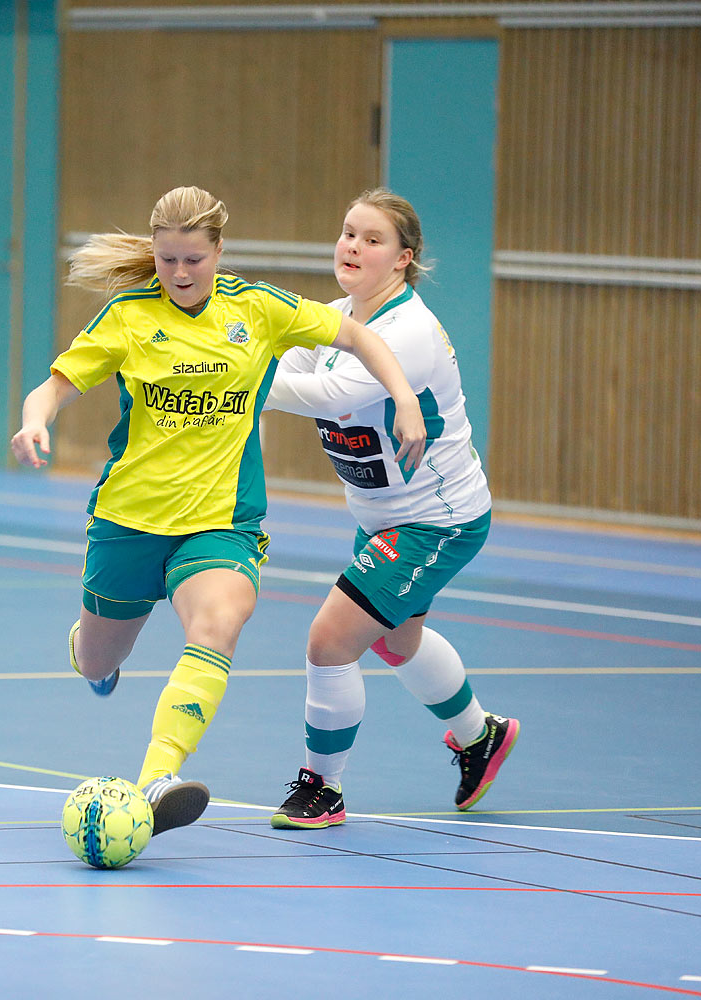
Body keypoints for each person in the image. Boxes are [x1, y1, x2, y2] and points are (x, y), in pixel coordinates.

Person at [10, 186, 428, 836]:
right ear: (155, 253)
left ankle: (157, 776)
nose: (179, 273)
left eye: (193, 260)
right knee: (97, 660)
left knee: (218, 626)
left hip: (220, 522)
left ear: (218, 253)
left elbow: (355, 335)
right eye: (168, 259)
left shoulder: (257, 310)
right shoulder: (128, 317)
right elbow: (55, 386)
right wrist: (34, 422)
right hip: (128, 523)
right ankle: (88, 650)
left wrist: (401, 397)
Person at [263, 189, 518, 828]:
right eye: (348, 233)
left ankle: (323, 787)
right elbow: (284, 356)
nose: (352, 247)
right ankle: (479, 735)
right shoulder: (332, 316)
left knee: (329, 641)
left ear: (403, 259)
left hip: (437, 519)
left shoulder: (408, 333)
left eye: (371, 240)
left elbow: (324, 392)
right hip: (384, 515)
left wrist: (239, 379)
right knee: (397, 640)